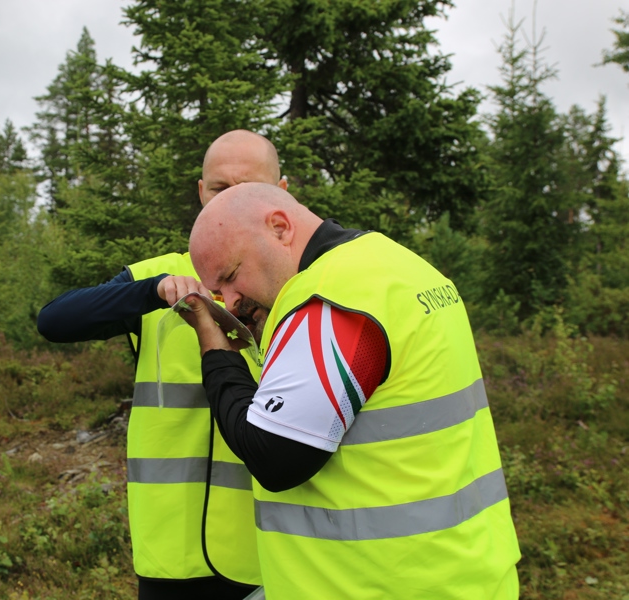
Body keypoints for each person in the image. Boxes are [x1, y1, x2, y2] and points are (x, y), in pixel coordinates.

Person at [181, 183, 521, 599]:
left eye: (231, 276)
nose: (230, 302)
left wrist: (217, 351)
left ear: (280, 227)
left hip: (374, 583)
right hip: (464, 568)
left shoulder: (331, 302)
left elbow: (274, 457)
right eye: (217, 291)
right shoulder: (395, 264)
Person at [36, 131, 287, 600]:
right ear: (199, 193)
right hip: (172, 553)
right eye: (218, 188)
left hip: (271, 548)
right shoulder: (159, 275)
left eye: (247, 187)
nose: (230, 200)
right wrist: (151, 292)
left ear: (282, 193)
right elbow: (54, 320)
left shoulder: (302, 284)